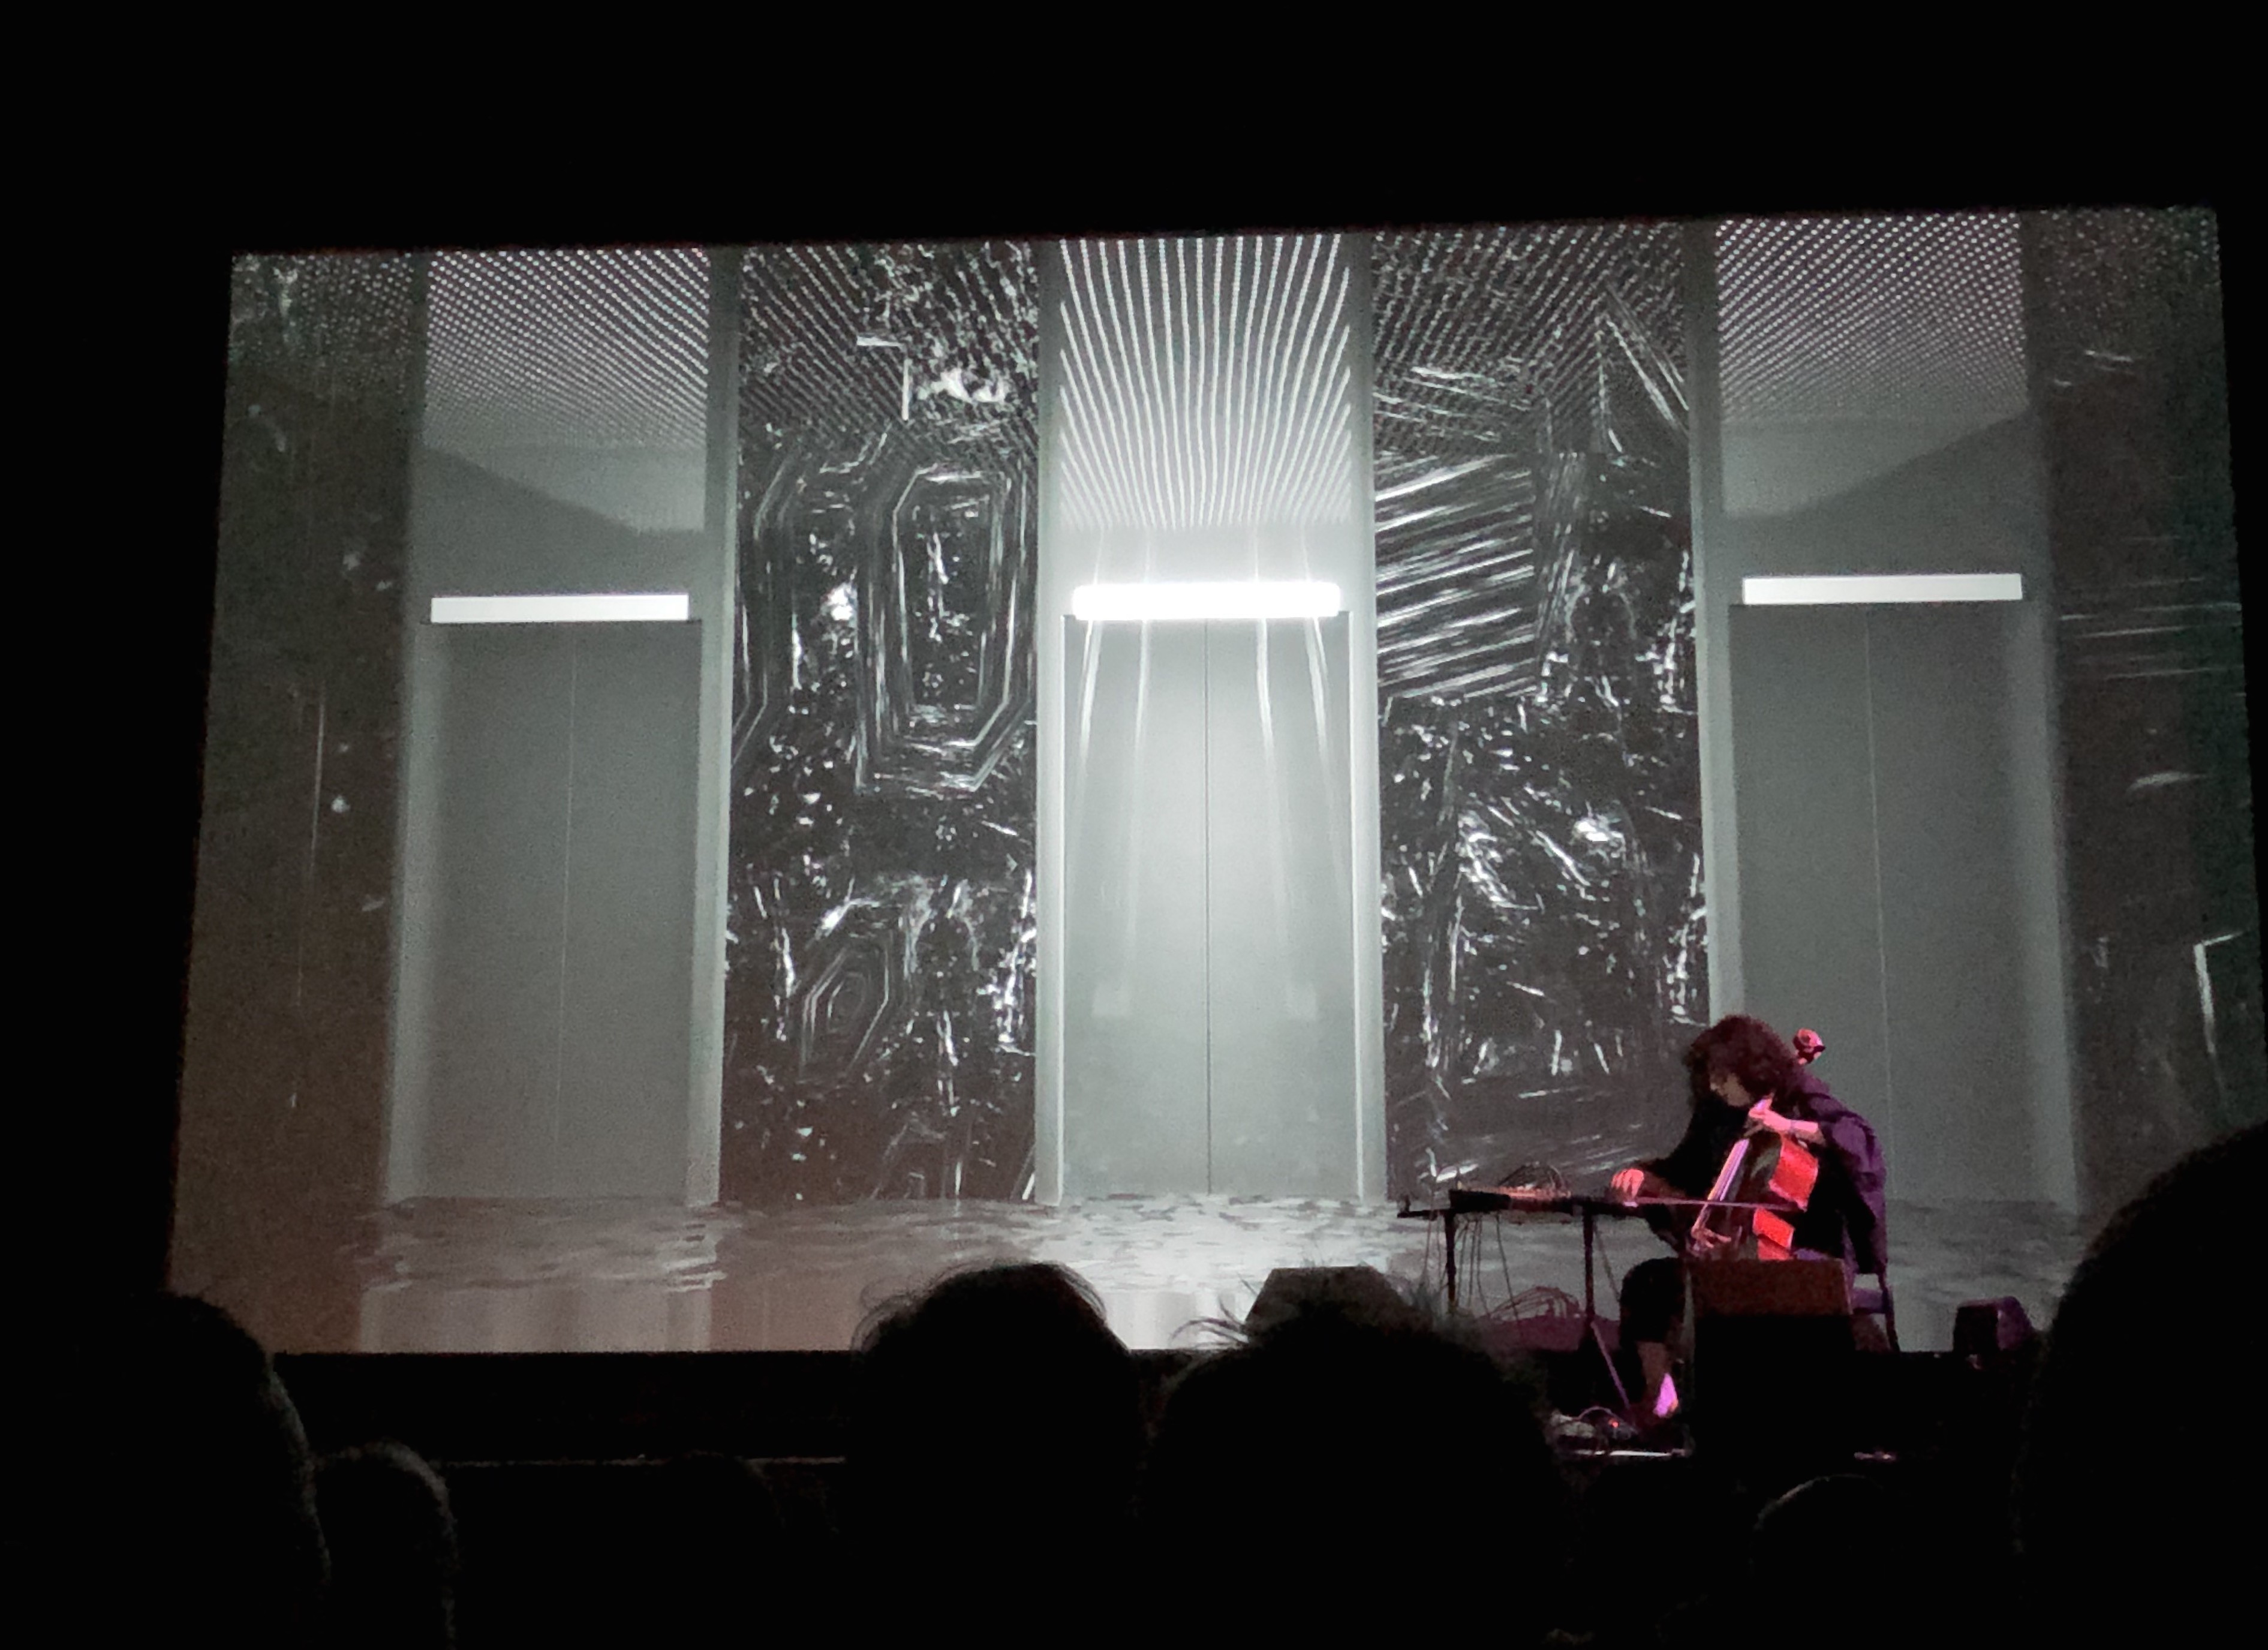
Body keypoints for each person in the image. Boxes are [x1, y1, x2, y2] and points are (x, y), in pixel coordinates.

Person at [1607, 1016, 1887, 1427]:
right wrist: (1643, 1177)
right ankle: (1660, 1397)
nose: (1714, 1085)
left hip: (1807, 1249)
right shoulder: (1717, 1113)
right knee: (1648, 1283)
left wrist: (1789, 1126)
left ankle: (1739, 1408)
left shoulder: (1797, 1092)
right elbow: (1683, 1171)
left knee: (1738, 1288)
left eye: (1722, 1075)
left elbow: (1859, 1140)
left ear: (1749, 1068)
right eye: (1710, 1076)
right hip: (1741, 1250)